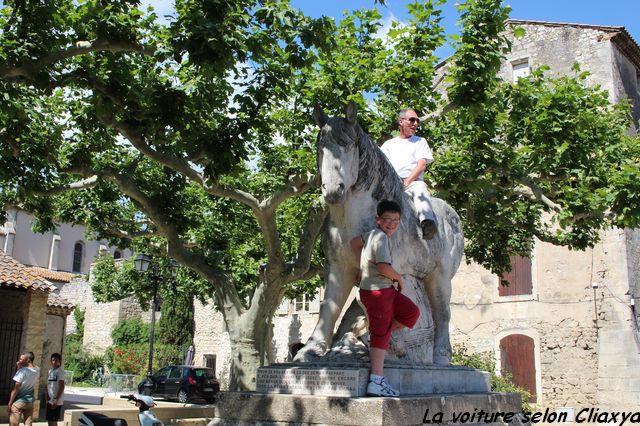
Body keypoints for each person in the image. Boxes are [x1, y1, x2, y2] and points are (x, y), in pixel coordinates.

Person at [351, 200, 420, 397]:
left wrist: (362, 265)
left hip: (384, 290)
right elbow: (383, 268)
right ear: (378, 220)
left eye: (395, 220)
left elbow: (354, 243)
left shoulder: (372, 234)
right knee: (381, 335)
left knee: (411, 313)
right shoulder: (380, 238)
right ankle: (376, 381)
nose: (391, 223)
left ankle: (375, 336)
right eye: (387, 219)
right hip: (377, 292)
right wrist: (398, 277)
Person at [380, 108, 437, 239]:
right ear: (401, 122)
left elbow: (422, 165)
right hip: (392, 183)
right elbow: (382, 166)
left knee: (420, 189)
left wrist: (407, 182)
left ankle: (427, 223)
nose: (415, 123)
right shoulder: (389, 145)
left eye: (417, 120)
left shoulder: (420, 141)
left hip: (413, 182)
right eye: (412, 120)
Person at [7, 351, 39, 426]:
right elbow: (24, 376)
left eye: (21, 359)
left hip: (19, 401)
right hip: (30, 401)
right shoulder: (37, 370)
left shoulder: (23, 371)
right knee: (28, 423)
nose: (19, 361)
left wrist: (9, 404)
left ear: (28, 360)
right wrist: (19, 367)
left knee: (13, 424)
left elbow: (15, 389)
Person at [45, 353, 65, 426]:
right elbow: (47, 384)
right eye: (53, 360)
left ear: (59, 361)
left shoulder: (60, 371)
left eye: (56, 360)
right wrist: (46, 394)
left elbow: (62, 386)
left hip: (56, 401)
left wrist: (56, 400)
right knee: (50, 420)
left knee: (53, 420)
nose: (54, 362)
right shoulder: (50, 371)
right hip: (50, 400)